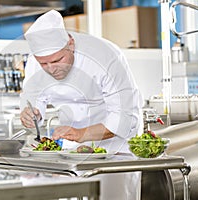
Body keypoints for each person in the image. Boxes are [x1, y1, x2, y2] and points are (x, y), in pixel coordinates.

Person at [20, 10, 143, 200]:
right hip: (71, 149)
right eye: (44, 63)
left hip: (115, 148)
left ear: (70, 43)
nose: (51, 69)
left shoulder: (106, 56)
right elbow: (33, 98)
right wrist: (30, 114)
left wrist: (81, 134)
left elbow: (124, 118)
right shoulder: (35, 62)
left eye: (57, 60)